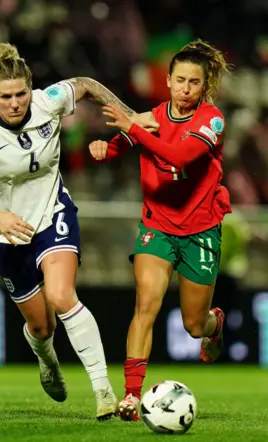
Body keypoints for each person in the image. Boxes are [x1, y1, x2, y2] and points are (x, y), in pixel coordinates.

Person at [0, 42, 158, 420]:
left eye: (21, 93)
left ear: (31, 89)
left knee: (61, 294)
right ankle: (47, 359)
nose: (16, 103)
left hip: (53, 214)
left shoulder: (48, 101)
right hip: (7, 233)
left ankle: (103, 391)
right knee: (40, 326)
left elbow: (85, 83)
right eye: (6, 96)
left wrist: (130, 115)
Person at [89, 39, 232, 421]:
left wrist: (136, 126)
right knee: (145, 306)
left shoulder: (212, 120)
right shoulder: (151, 116)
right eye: (180, 80)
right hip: (158, 226)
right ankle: (132, 396)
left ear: (205, 86)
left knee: (192, 324)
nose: (186, 88)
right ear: (167, 81)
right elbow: (121, 144)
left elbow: (180, 155)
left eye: (194, 82)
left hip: (201, 229)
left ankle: (214, 325)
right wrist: (105, 147)